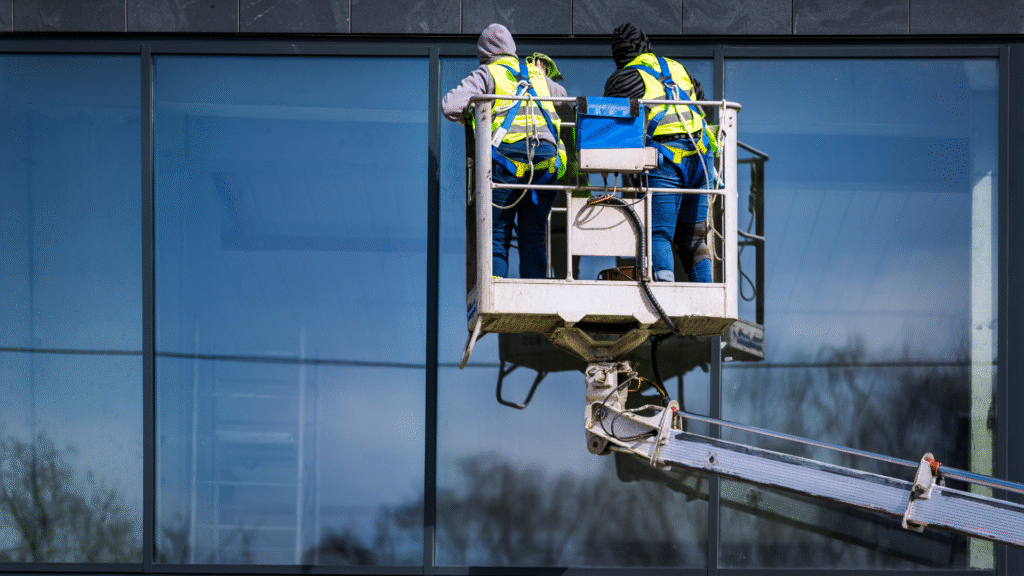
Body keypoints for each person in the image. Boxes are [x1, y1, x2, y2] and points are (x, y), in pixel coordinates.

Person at [442, 24, 567, 279]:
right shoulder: (536, 75)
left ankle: (496, 291)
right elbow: (562, 97)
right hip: (545, 165)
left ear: (485, 54)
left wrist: (473, 109)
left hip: (506, 163)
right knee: (533, 237)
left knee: (497, 235)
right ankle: (535, 296)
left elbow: (450, 106)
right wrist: (542, 76)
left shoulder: (488, 73)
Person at [604, 23, 717, 283]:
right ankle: (703, 297)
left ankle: (663, 298)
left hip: (665, 159)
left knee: (658, 234)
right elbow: (700, 100)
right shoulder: (676, 68)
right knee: (695, 240)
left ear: (619, 55)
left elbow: (610, 123)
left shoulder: (624, 77)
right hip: (701, 158)